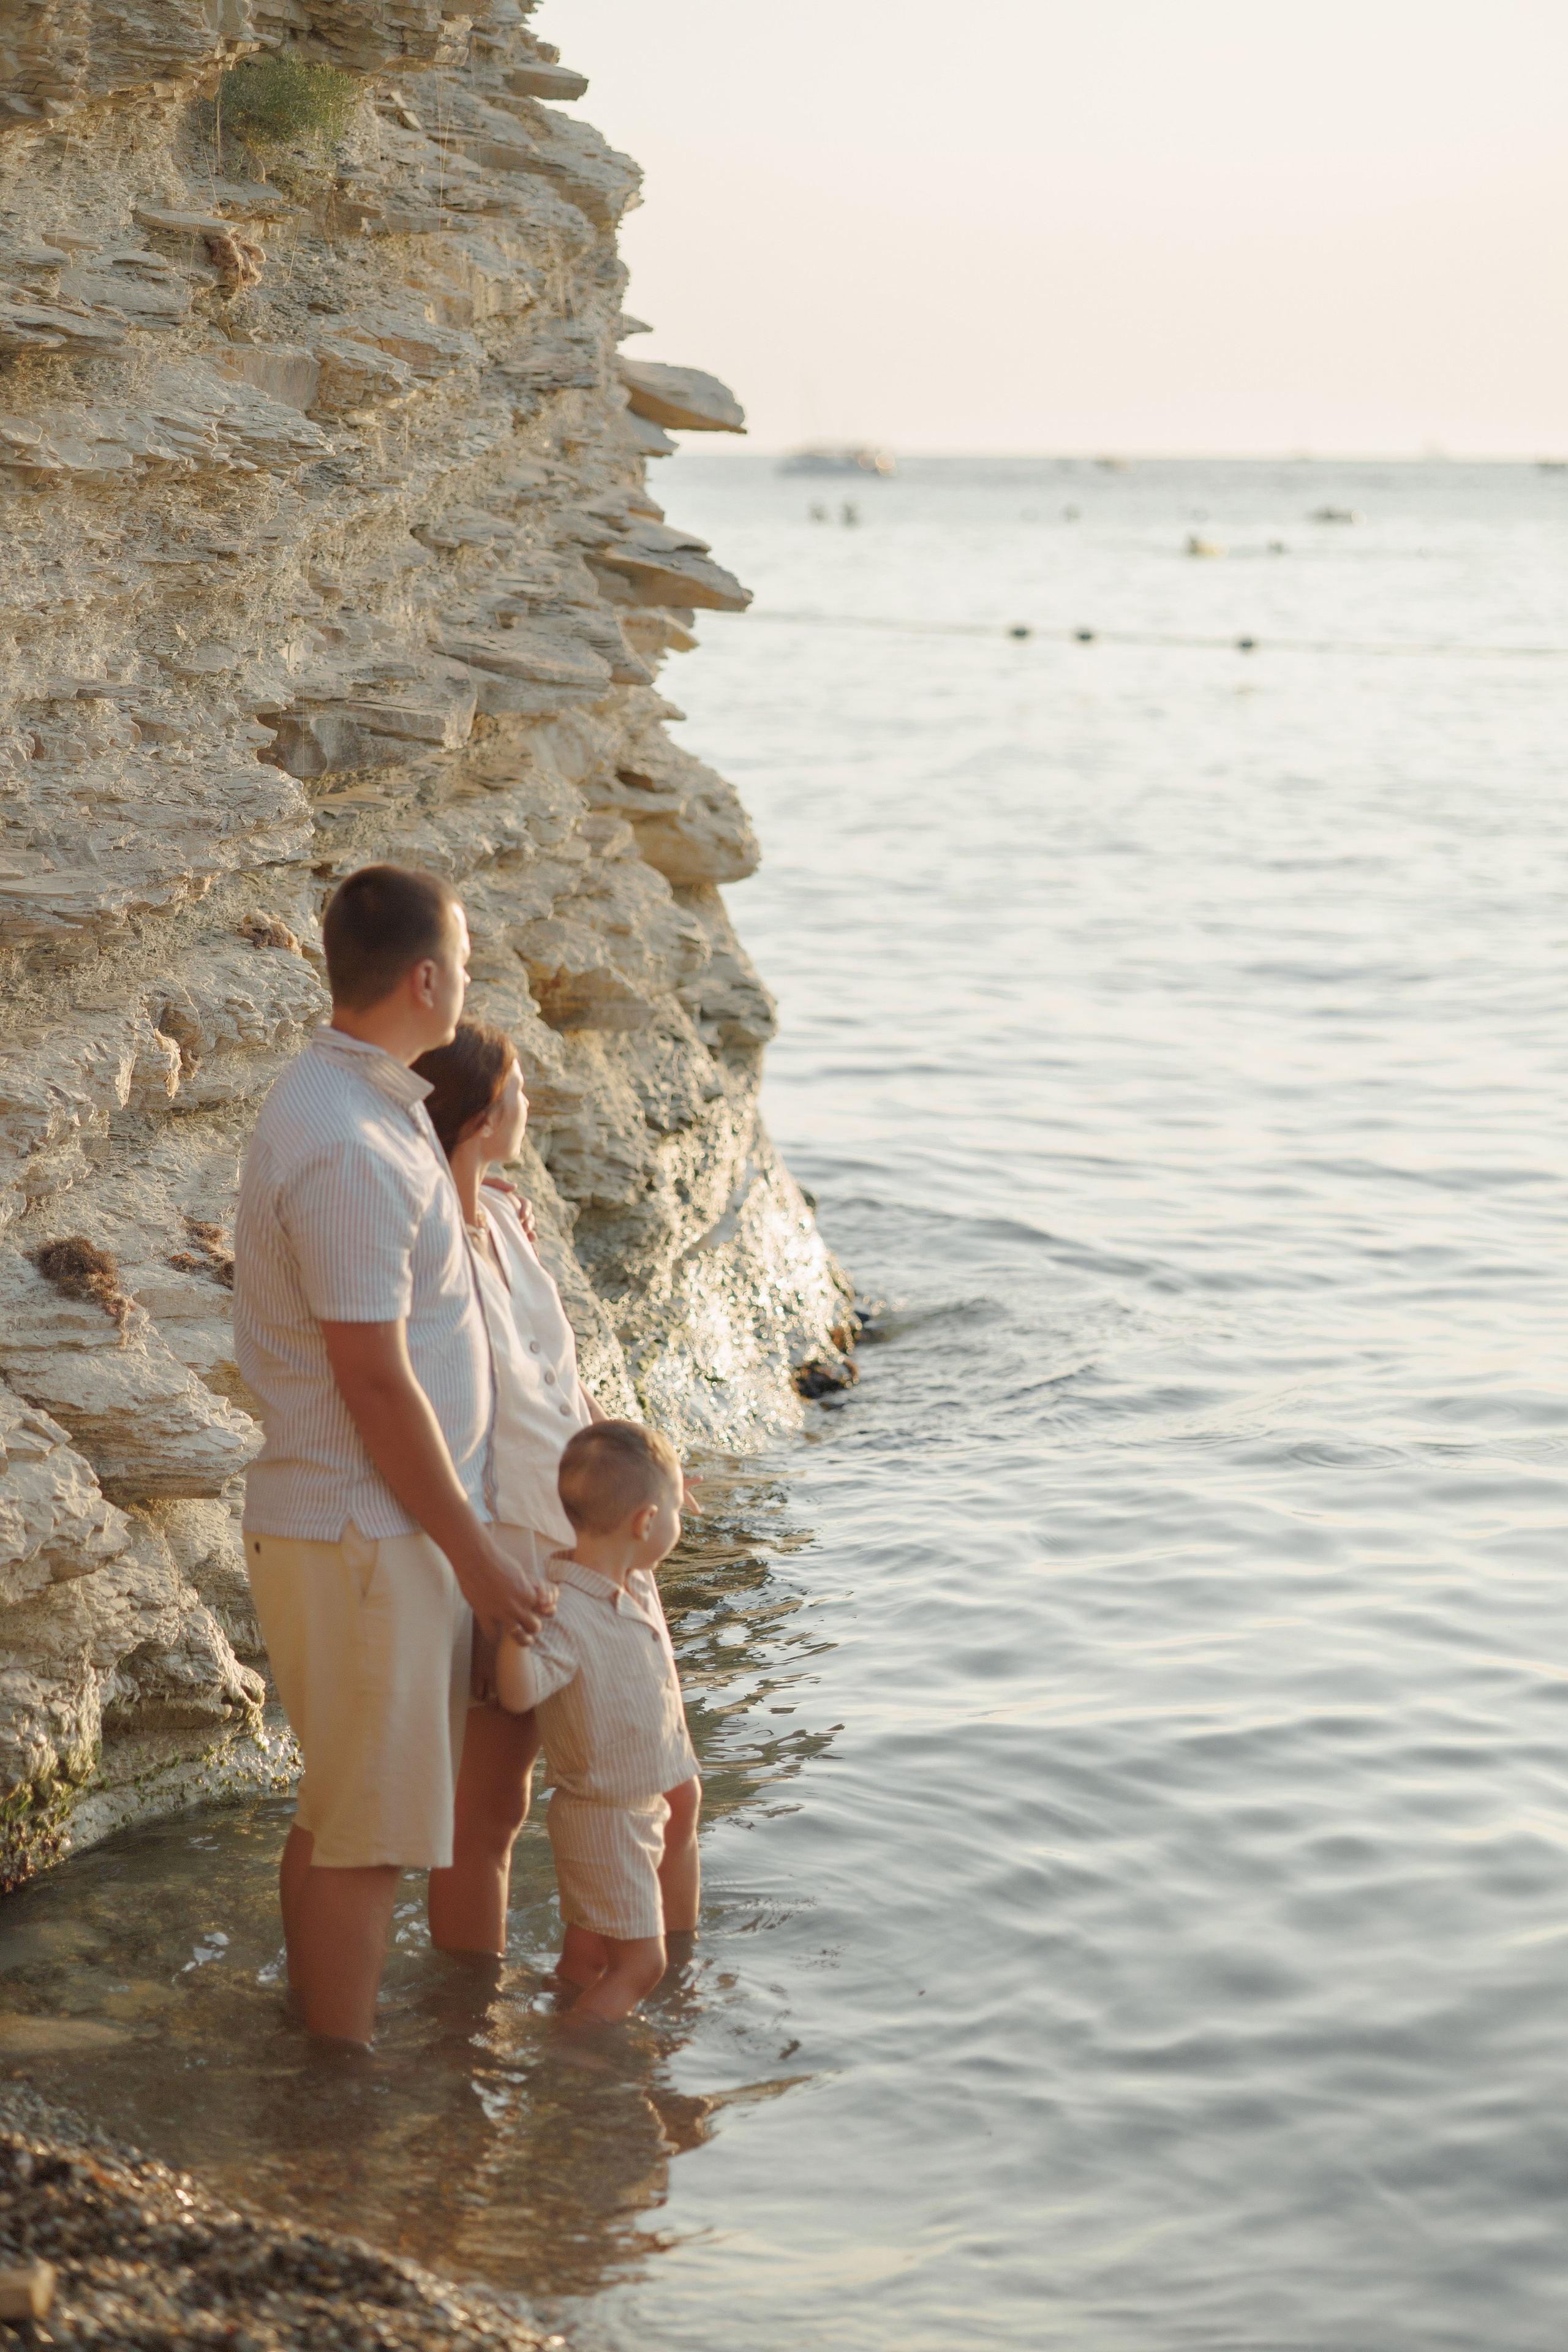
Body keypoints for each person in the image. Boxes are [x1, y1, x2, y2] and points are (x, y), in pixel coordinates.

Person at [233, 865, 552, 2048]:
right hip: (369, 1533)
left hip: (369, 1528)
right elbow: (373, 1381)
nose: (466, 989)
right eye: (463, 968)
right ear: (425, 979)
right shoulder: (352, 1142)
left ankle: (314, 2049)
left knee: (339, 1817)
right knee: (370, 1841)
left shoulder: (363, 1106)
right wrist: (474, 1556)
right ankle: (342, 2102)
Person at [412, 1020, 703, 1962]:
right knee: (493, 1808)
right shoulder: (433, 1234)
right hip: (519, 1552)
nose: (531, 1105)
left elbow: (550, 1375)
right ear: (489, 1114)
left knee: (672, 1784)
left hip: (598, 1531)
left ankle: (664, 1989)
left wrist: (637, 1471)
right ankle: (474, 2026)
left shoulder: (503, 1216)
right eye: (522, 1090)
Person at [497, 1420, 701, 2025]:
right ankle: (571, 2062)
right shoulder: (564, 1614)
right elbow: (518, 1694)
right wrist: (518, 1635)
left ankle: (563, 2017)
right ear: (645, 1522)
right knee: (642, 1967)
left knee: (586, 1960)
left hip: (630, 1812)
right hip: (606, 1820)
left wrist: (664, 1483)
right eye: (672, 1511)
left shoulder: (631, 1586)